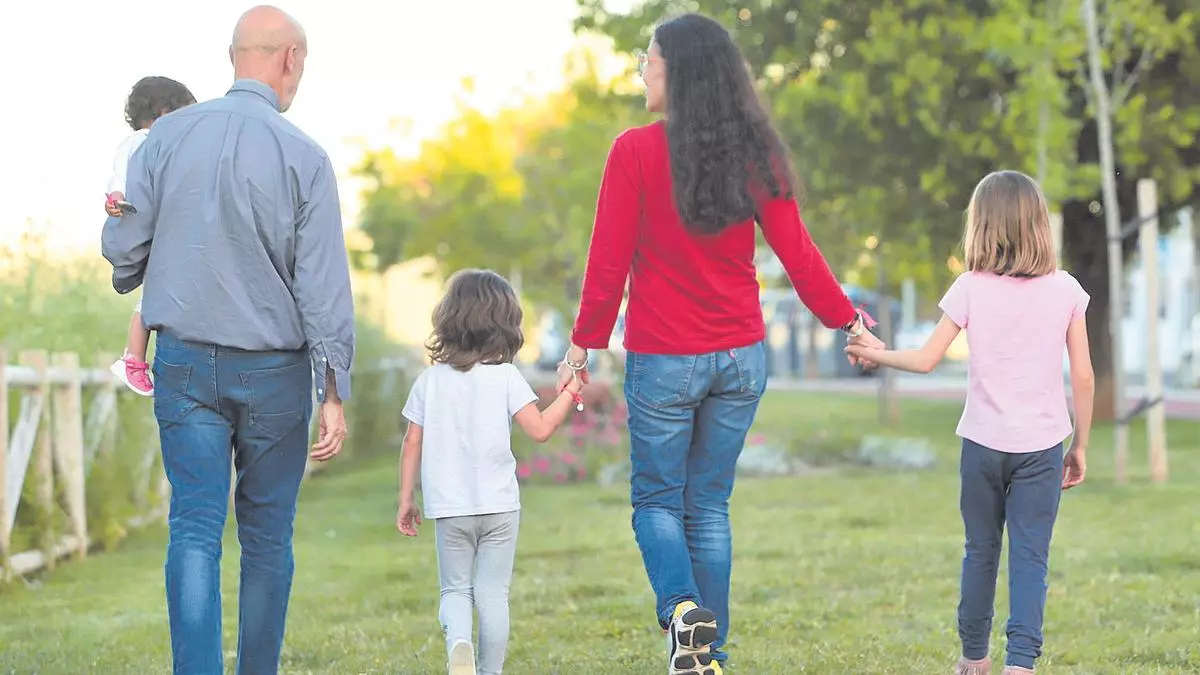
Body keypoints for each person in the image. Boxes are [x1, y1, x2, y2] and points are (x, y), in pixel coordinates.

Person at [558, 13, 884, 675]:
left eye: (649, 62)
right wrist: (847, 319)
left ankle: (683, 611)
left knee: (657, 499)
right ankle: (706, 656)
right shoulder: (756, 153)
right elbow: (798, 252)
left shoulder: (634, 152)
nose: (642, 73)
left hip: (664, 358)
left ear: (676, 72)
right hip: (739, 358)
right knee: (707, 504)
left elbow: (608, 261)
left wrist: (582, 345)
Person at [100, 6, 354, 674]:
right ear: (290, 59)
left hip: (184, 365)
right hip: (275, 374)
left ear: (233, 55)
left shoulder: (164, 138)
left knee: (193, 528)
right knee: (266, 538)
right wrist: (333, 391)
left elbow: (126, 254)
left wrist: (131, 245)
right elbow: (323, 287)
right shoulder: (306, 157)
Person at [845, 170, 1094, 675]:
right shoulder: (1065, 289)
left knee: (980, 551)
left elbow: (925, 360)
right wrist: (1080, 445)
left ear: (981, 225)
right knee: (1030, 556)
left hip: (982, 445)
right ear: (1038, 225)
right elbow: (1084, 376)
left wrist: (875, 353)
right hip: (1042, 446)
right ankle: (1020, 665)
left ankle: (973, 658)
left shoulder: (970, 288)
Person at [397, 269, 583, 675]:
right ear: (505, 323)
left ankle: (459, 645)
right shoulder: (506, 377)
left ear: (449, 318)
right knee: (493, 593)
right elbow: (541, 429)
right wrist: (571, 391)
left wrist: (407, 498)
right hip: (499, 507)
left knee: (454, 590)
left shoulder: (430, 381)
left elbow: (412, 442)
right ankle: (490, 671)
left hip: (450, 508)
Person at [104, 76, 197, 397]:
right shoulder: (142, 141)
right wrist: (116, 197)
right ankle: (133, 359)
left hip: (158, 230)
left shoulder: (154, 143)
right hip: (152, 232)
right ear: (163, 112)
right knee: (150, 301)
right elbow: (119, 174)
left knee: (155, 298)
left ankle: (136, 359)